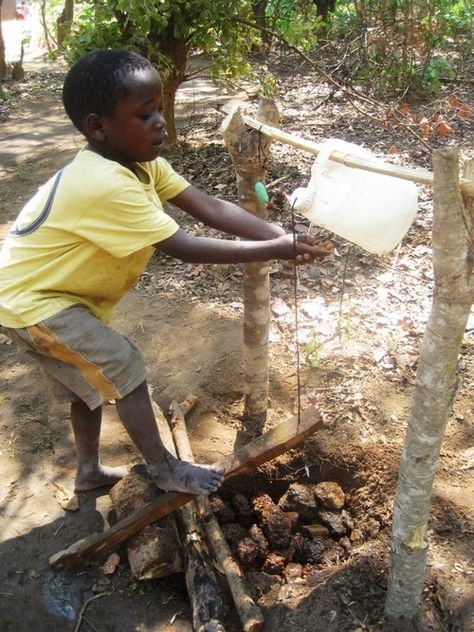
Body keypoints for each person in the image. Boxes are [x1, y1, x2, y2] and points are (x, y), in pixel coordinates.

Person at [0, 49, 331, 496]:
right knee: (125, 366)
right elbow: (182, 246)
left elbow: (208, 206)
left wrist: (279, 236)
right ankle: (164, 468)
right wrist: (276, 247)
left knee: (87, 390)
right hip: (34, 302)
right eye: (145, 114)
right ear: (98, 126)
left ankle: (88, 472)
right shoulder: (104, 184)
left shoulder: (140, 163)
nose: (160, 121)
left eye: (158, 108)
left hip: (44, 294)